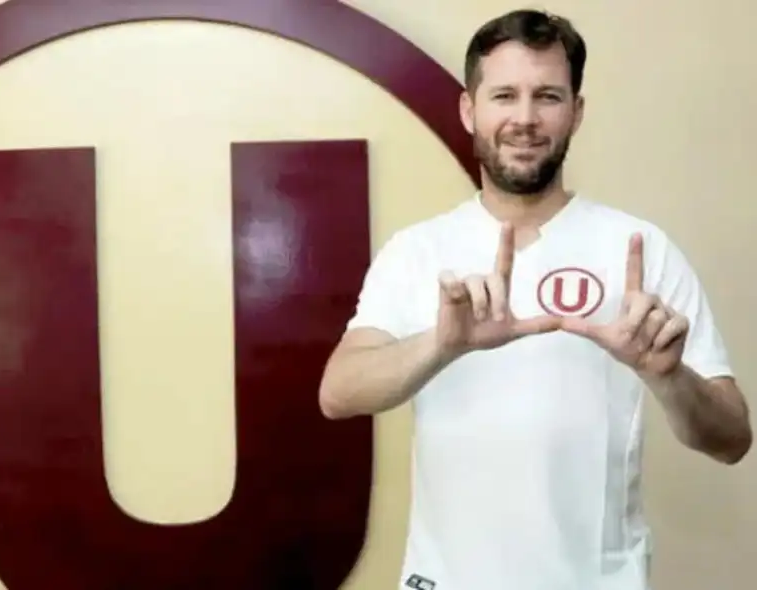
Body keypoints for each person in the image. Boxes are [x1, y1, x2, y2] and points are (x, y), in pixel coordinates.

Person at [318, 8, 752, 590]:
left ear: (576, 112)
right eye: (505, 95)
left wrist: (668, 377)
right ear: (471, 110)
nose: (524, 118)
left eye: (547, 96)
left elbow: (732, 439)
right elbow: (338, 392)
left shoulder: (639, 250)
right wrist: (442, 345)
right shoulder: (417, 250)